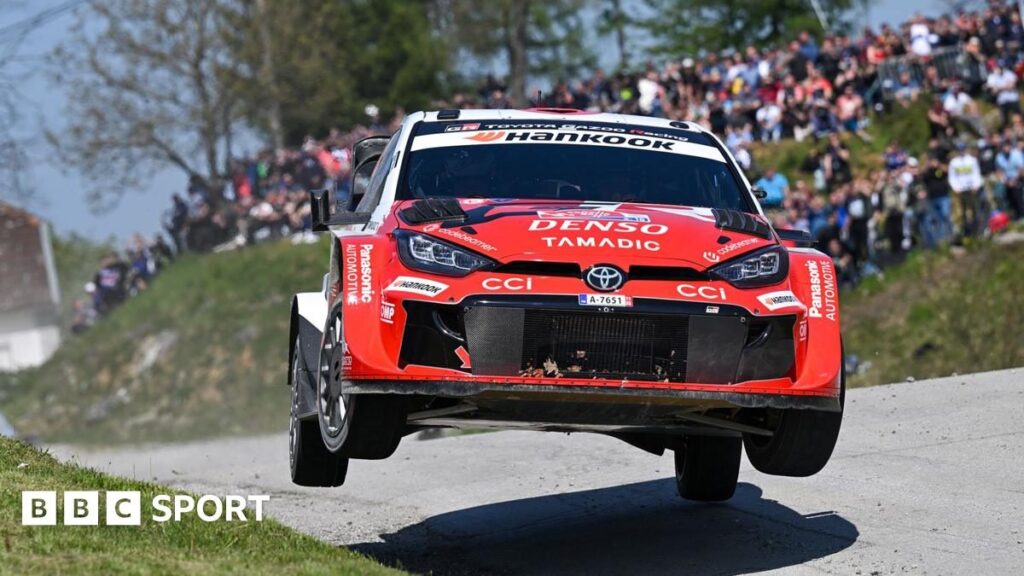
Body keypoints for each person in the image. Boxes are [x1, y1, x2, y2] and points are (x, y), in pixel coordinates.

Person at [947, 143, 984, 237]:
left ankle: (978, 231)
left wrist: (976, 185)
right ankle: (967, 233)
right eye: (959, 149)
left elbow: (977, 173)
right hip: (961, 190)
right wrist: (956, 188)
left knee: (974, 210)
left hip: (972, 189)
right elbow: (952, 177)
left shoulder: (972, 160)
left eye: (963, 149)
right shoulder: (954, 162)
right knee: (963, 212)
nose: (961, 151)